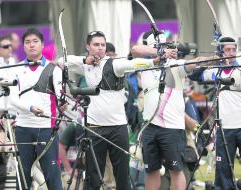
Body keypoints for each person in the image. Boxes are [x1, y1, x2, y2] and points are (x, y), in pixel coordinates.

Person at [59, 31, 162, 190]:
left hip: (117, 128)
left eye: (102, 45)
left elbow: (133, 64)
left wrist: (155, 61)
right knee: (93, 175)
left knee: (122, 175)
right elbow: (61, 61)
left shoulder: (114, 63)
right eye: (96, 45)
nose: (100, 48)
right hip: (94, 128)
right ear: (88, 47)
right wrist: (85, 60)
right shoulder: (84, 64)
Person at [131, 31, 216, 190]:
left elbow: (196, 62)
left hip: (172, 128)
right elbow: (135, 49)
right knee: (151, 171)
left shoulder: (175, 65)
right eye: (159, 46)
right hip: (150, 127)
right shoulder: (145, 65)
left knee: (176, 170)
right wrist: (159, 52)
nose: (164, 49)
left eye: (165, 45)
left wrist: (214, 58)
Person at [10, 28, 63, 190]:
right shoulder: (16, 68)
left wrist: (63, 102)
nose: (31, 45)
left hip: (46, 128)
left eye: (35, 42)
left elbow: (61, 98)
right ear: (23, 46)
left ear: (42, 44)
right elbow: (12, 99)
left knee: (52, 173)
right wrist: (30, 108)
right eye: (27, 42)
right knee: (23, 174)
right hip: (23, 128)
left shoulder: (55, 70)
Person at [189, 36, 241, 190]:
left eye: (234, 49)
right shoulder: (215, 71)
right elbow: (194, 75)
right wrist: (213, 60)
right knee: (223, 170)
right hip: (224, 129)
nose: (231, 53)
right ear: (220, 52)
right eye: (227, 50)